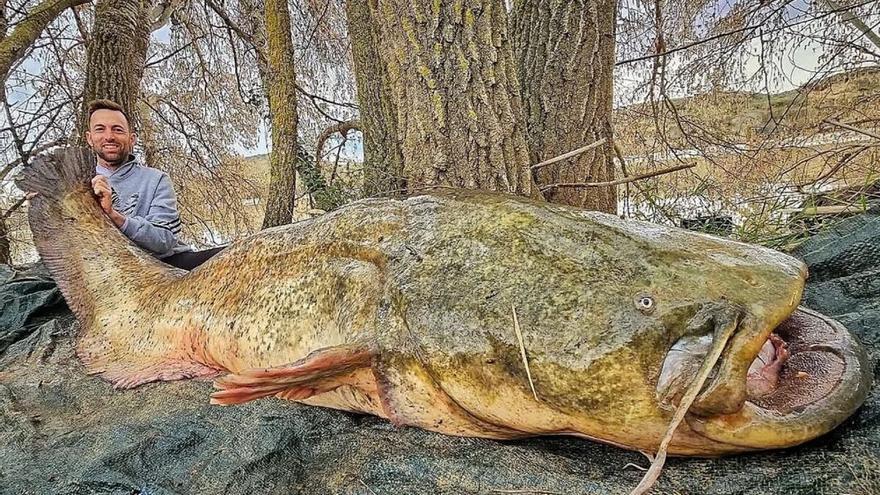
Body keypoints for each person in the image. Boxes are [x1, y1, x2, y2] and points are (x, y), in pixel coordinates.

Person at [85, 99, 224, 270]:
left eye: (117, 129)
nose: (109, 136)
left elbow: (164, 239)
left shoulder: (157, 180)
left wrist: (114, 216)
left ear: (132, 139)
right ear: (89, 138)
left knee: (239, 256)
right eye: (100, 129)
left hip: (167, 262)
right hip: (109, 271)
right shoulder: (78, 188)